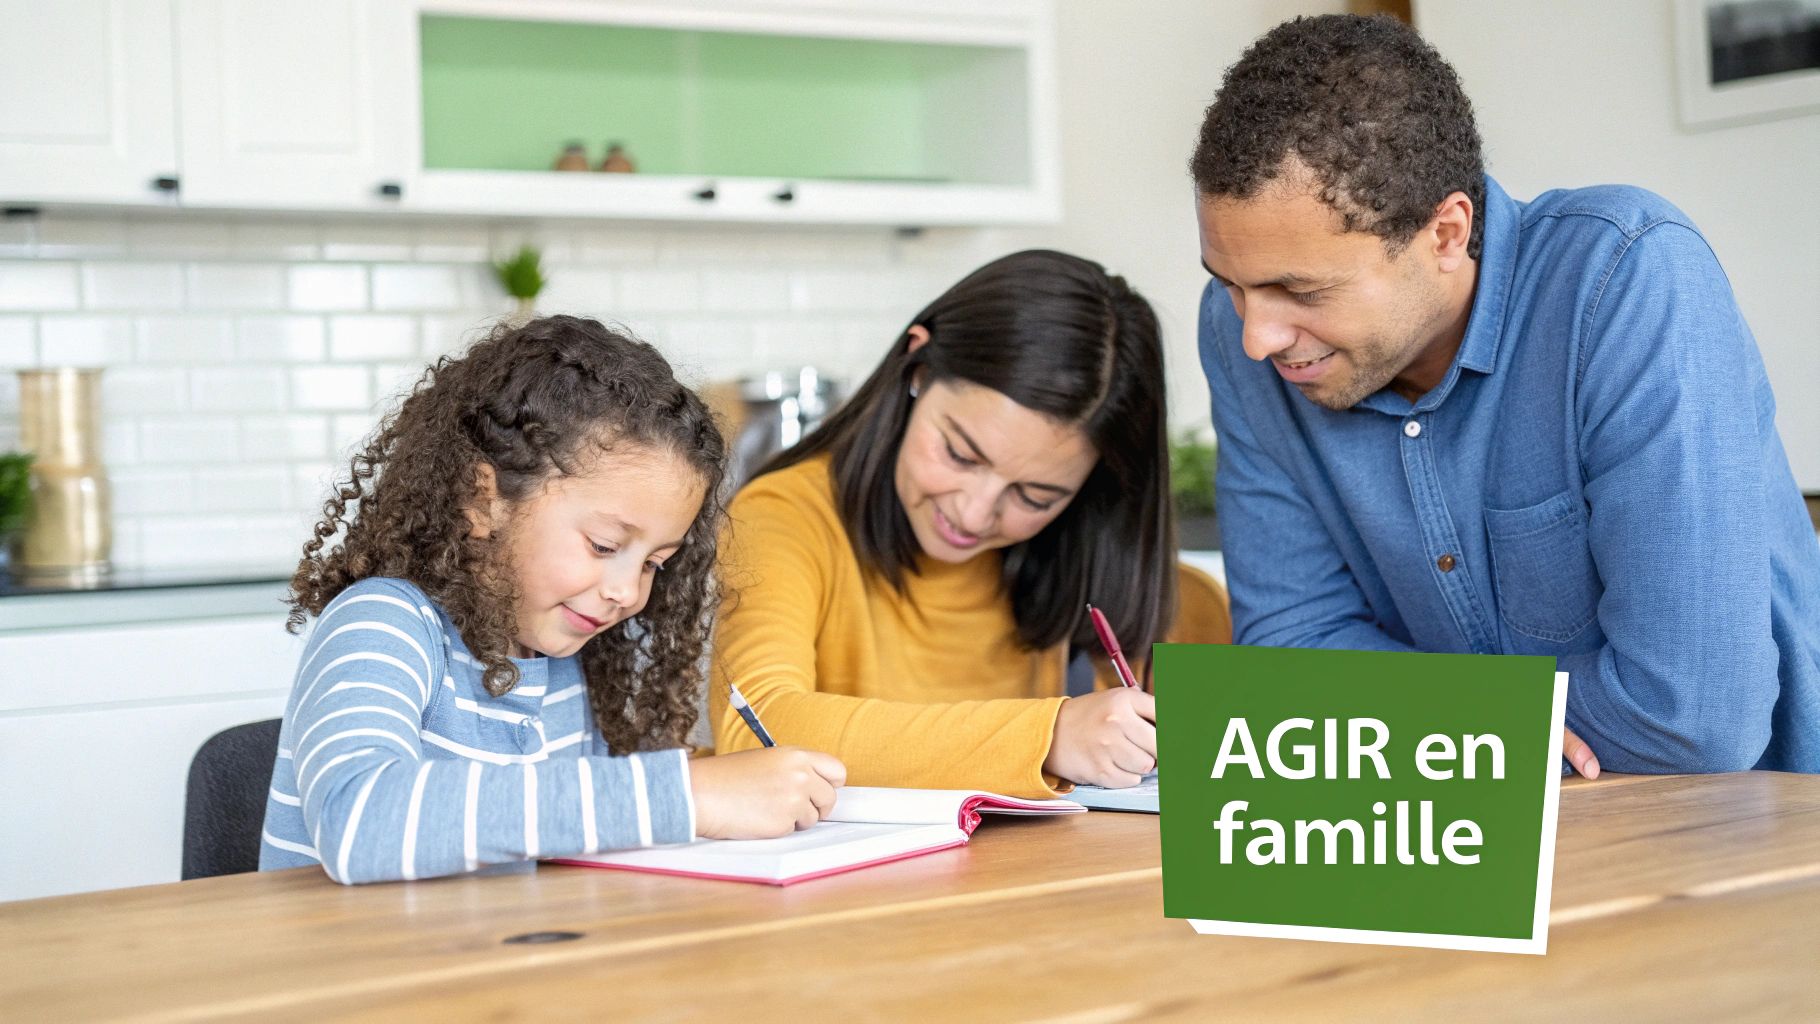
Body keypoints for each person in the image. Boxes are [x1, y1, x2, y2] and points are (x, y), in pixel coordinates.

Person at [1191, 14, 1819, 775]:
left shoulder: (1626, 279)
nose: (1258, 336)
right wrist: (1494, 727)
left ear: (1447, 234)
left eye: (1301, 290)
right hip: (1459, 848)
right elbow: (1291, 659)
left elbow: (1694, 720)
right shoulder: (1242, 339)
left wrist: (1428, 722)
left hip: (1754, 841)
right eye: (1230, 285)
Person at [260, 315, 845, 884]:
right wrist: (685, 797)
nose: (626, 590)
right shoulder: (384, 623)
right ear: (481, 498)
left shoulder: (568, 661)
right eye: (603, 544)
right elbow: (360, 819)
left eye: (652, 564)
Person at [709, 250, 1232, 799]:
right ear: (918, 369)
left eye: (1035, 495)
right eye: (960, 455)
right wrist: (1047, 736)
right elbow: (758, 729)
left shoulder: (1141, 585)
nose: (975, 513)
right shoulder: (785, 516)